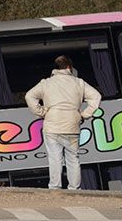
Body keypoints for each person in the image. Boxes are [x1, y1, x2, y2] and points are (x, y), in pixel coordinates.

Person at [26, 55, 101, 190]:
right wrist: (84, 115)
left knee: (55, 159)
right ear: (69, 67)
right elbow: (96, 96)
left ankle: (55, 187)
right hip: (72, 124)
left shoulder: (46, 83)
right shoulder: (79, 82)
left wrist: (42, 112)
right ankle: (74, 189)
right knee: (73, 158)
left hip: (52, 125)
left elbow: (29, 96)